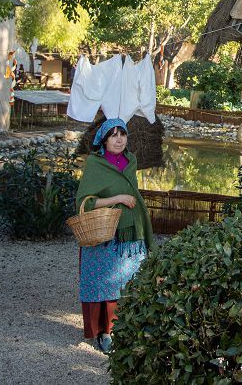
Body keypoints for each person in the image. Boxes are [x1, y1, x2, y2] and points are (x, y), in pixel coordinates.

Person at [75, 117, 154, 354]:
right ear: (104, 139)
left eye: (123, 134)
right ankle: (104, 332)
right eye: (113, 135)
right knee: (103, 284)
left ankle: (127, 327)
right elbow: (84, 202)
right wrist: (117, 199)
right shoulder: (95, 164)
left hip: (132, 233)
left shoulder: (131, 161)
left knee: (130, 282)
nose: (119, 139)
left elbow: (133, 192)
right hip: (105, 234)